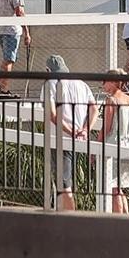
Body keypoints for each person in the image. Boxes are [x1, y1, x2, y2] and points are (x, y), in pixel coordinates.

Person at [41, 54, 95, 210]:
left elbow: (52, 114)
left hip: (60, 139)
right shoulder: (80, 83)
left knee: (64, 183)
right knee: (67, 181)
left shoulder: (50, 83)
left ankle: (70, 218)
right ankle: (64, 212)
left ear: (47, 70)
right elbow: (94, 108)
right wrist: (85, 130)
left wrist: (70, 131)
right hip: (80, 139)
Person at [95, 72, 129, 213]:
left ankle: (119, 220)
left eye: (105, 81)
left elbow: (107, 128)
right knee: (119, 188)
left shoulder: (111, 100)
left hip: (114, 147)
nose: (103, 84)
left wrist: (96, 146)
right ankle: (127, 218)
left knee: (113, 187)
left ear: (113, 82)